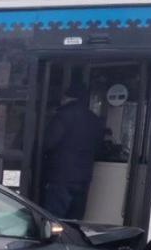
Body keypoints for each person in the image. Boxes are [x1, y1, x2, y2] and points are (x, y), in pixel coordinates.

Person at [42, 82, 104, 219]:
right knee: (74, 222)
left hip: (61, 177)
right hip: (83, 178)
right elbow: (99, 148)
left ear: (67, 97)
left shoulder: (63, 116)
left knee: (54, 220)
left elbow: (48, 143)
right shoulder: (93, 119)